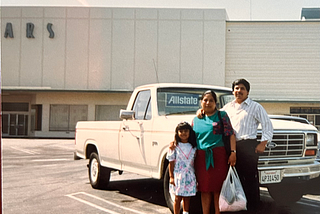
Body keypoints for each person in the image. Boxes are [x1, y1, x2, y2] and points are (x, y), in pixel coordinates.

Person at [221, 78, 273, 213]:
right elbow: (216, 118)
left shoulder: (255, 107)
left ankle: (252, 209)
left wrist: (263, 143)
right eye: (236, 88)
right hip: (231, 147)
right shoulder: (227, 108)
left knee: (249, 180)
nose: (239, 91)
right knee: (232, 179)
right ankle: (235, 207)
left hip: (248, 146)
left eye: (242, 88)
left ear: (247, 92)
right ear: (233, 91)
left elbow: (267, 125)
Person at [192, 90, 236, 214]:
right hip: (201, 157)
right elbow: (190, 138)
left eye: (211, 100)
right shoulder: (196, 119)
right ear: (201, 102)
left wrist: (233, 152)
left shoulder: (222, 116)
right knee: (204, 189)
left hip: (218, 156)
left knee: (218, 189)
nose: (208, 103)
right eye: (205, 100)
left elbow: (231, 134)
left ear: (215, 103)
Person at [167, 121, 197, 214]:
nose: (183, 133)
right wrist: (171, 177)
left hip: (189, 175)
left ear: (189, 132)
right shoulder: (175, 146)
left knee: (187, 197)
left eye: (186, 131)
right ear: (177, 133)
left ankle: (185, 212)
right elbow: (171, 162)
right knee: (177, 197)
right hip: (178, 176)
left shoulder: (193, 147)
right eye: (181, 131)